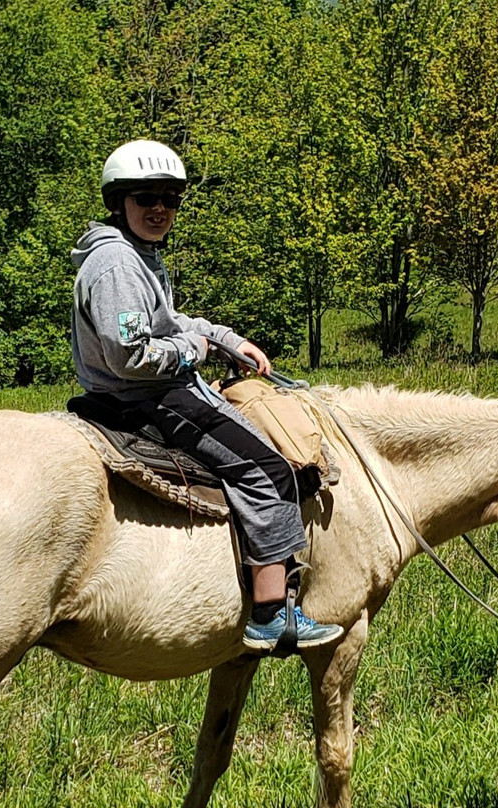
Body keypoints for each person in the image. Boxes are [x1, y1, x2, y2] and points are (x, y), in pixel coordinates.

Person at [70, 139, 343, 652]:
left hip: (156, 388)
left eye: (170, 199)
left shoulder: (137, 255)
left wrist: (225, 339)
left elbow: (169, 323)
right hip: (147, 398)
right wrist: (195, 350)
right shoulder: (116, 266)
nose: (158, 209)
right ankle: (270, 614)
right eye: (145, 197)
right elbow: (131, 355)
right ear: (118, 201)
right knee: (267, 468)